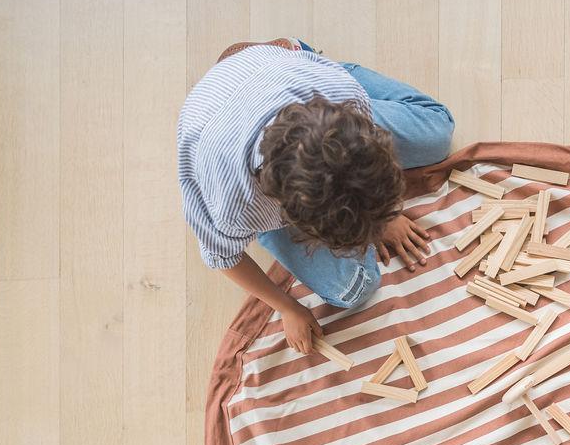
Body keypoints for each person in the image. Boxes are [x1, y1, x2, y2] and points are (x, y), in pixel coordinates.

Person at [177, 37, 454, 354]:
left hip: (294, 74)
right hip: (216, 117)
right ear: (291, 212)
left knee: (439, 133)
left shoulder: (342, 96)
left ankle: (287, 50)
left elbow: (369, 154)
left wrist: (380, 212)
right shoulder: (230, 202)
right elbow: (223, 258)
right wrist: (287, 308)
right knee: (354, 288)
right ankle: (269, 232)